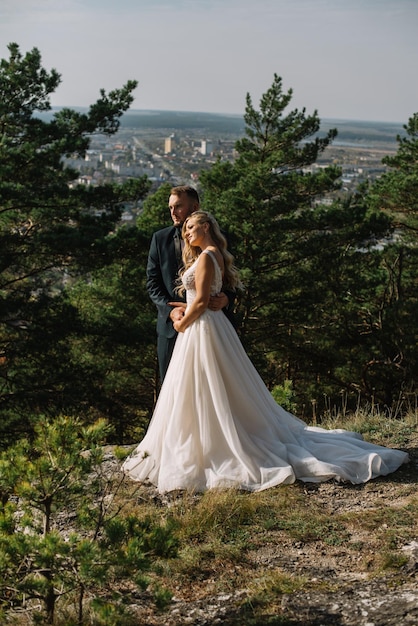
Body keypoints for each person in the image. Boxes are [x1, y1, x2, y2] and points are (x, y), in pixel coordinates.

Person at [123, 211, 409, 493]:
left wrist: (182, 322)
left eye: (191, 227)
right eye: (185, 229)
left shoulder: (209, 256)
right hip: (204, 326)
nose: (187, 233)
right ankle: (202, 437)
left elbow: (200, 301)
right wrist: (186, 311)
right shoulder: (210, 254)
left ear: (206, 226)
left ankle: (213, 442)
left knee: (207, 382)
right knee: (203, 384)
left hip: (201, 326)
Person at [146, 185, 233, 382]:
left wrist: (227, 299)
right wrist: (170, 311)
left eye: (178, 206)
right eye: (170, 208)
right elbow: (153, 283)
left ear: (194, 207)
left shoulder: (221, 240)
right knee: (172, 389)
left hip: (209, 326)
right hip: (172, 327)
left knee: (213, 386)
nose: (173, 213)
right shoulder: (160, 239)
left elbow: (232, 278)